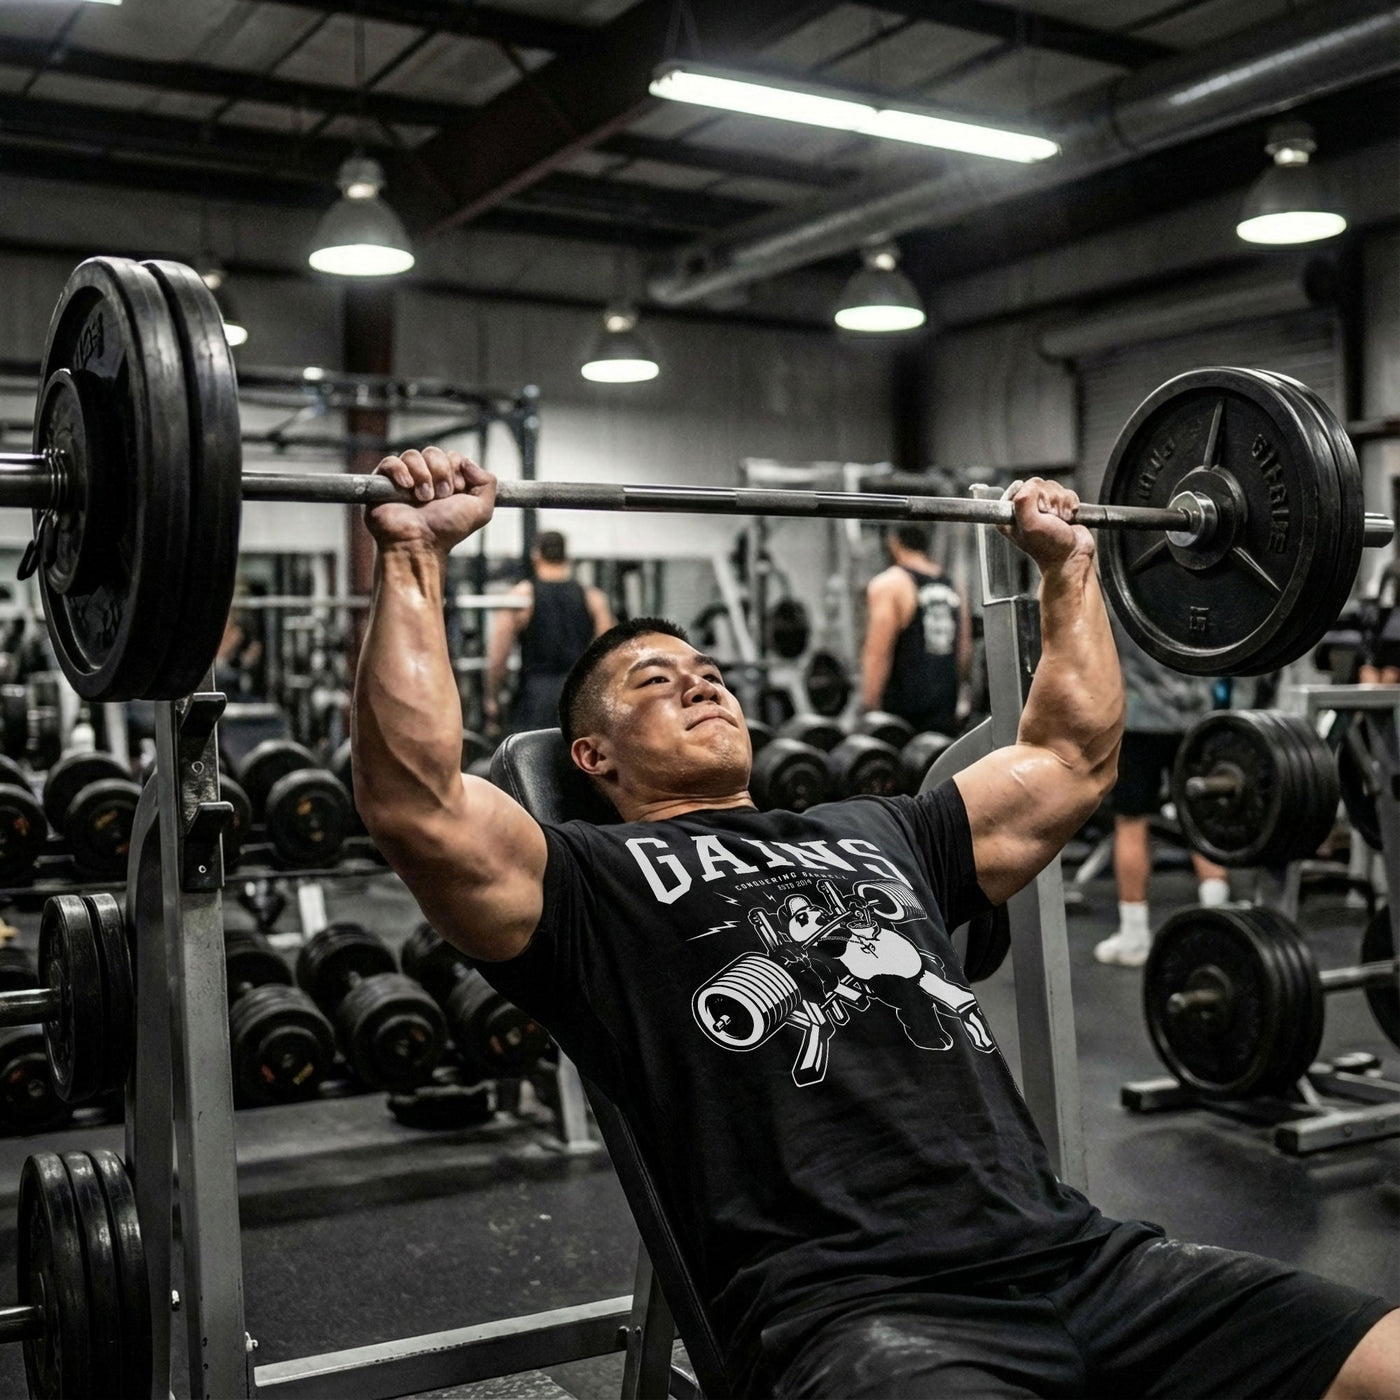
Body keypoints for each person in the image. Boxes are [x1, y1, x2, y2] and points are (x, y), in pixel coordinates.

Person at [353, 448, 1397, 1400]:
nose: (700, 681)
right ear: (593, 758)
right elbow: (418, 804)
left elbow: (1072, 760)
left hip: (1086, 1259)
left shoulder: (873, 826)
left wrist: (1069, 566)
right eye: (654, 680)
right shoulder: (590, 881)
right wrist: (413, 560)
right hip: (865, 1314)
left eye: (707, 670)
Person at [1093, 621, 1230, 968]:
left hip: (1139, 718)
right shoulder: (1194, 582)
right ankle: (1220, 926)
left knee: (1131, 822)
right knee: (1203, 817)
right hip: (1192, 713)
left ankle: (1135, 936)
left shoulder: (1115, 583)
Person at [485, 529, 612, 732]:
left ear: (536, 555)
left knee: (532, 760)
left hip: (536, 698)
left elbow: (498, 657)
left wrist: (492, 697)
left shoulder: (521, 596)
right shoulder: (592, 597)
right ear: (566, 556)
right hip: (577, 697)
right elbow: (608, 655)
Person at [860, 523, 970, 736]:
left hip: (901, 719)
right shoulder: (953, 586)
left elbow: (877, 653)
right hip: (944, 711)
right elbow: (964, 651)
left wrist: (870, 709)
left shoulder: (890, 584)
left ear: (894, 542)